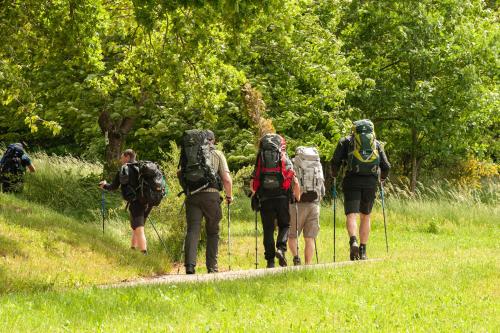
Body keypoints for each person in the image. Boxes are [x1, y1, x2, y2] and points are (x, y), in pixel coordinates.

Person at [331, 119, 390, 260]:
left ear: (354, 129)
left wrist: (334, 175)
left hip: (352, 181)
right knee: (366, 216)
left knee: (351, 215)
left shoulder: (346, 141)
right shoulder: (376, 144)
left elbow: (335, 161)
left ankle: (353, 241)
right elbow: (386, 166)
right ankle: (363, 251)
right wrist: (381, 179)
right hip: (370, 182)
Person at [179, 130, 233, 274]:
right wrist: (229, 196)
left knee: (193, 230)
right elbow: (227, 180)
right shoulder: (217, 154)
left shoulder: (189, 153)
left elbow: (180, 173)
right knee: (213, 231)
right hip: (211, 196)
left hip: (192, 196)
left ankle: (189, 266)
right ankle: (212, 267)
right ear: (213, 140)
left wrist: (187, 189)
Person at [250, 133, 300, 268]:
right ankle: (281, 249)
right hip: (282, 197)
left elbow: (254, 181)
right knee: (285, 225)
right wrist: (294, 193)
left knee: (268, 229)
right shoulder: (283, 155)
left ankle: (270, 261)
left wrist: (255, 193)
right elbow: (292, 176)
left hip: (265, 198)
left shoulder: (261, 157)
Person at [99, 149, 150, 254]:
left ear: (127, 156)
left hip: (137, 202)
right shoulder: (141, 167)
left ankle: (144, 254)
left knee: (139, 228)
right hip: (147, 201)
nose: (121, 159)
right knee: (135, 226)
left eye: (122, 157)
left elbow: (113, 186)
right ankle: (132, 249)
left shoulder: (124, 169)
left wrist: (104, 185)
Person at [288, 146, 325, 265]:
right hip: (314, 204)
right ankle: (308, 264)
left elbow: (290, 184)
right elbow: (322, 187)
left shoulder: (293, 163)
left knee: (292, 235)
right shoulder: (317, 165)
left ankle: (296, 258)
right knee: (310, 238)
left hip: (297, 204)